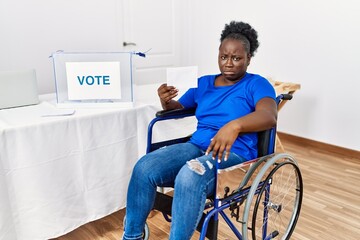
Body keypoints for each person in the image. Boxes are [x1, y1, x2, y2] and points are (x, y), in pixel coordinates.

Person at [123, 21, 277, 240]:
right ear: (218, 55)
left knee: (189, 175)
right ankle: (132, 236)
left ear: (249, 58)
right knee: (144, 167)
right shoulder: (203, 83)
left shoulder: (256, 84)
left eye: (237, 58)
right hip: (197, 146)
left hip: (234, 155)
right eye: (224, 57)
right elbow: (179, 108)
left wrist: (234, 126)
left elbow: (269, 116)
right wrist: (166, 101)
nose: (229, 63)